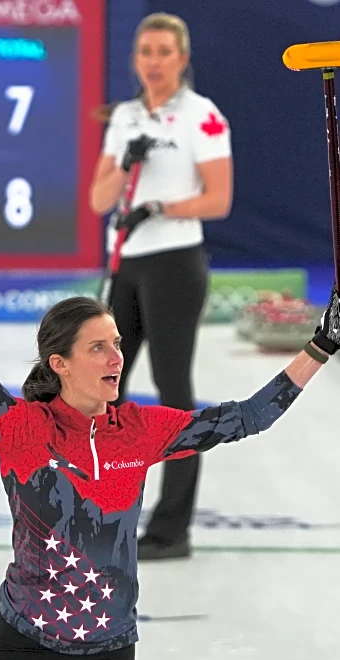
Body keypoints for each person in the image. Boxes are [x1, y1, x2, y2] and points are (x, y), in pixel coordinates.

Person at [0, 203, 339, 660]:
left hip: (108, 656)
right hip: (23, 647)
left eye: (116, 343)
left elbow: (246, 419)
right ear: (59, 363)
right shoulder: (23, 430)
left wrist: (322, 346)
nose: (118, 357)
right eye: (99, 348)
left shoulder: (141, 429)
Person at [89, 13, 233, 560]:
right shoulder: (124, 116)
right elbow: (98, 201)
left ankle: (172, 530)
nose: (153, 61)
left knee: (173, 394)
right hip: (125, 261)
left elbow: (218, 199)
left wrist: (159, 205)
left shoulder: (203, 116)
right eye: (145, 51)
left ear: (182, 58)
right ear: (135, 59)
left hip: (174, 262)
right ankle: (107, 513)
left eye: (164, 52)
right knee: (104, 394)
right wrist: (125, 170)